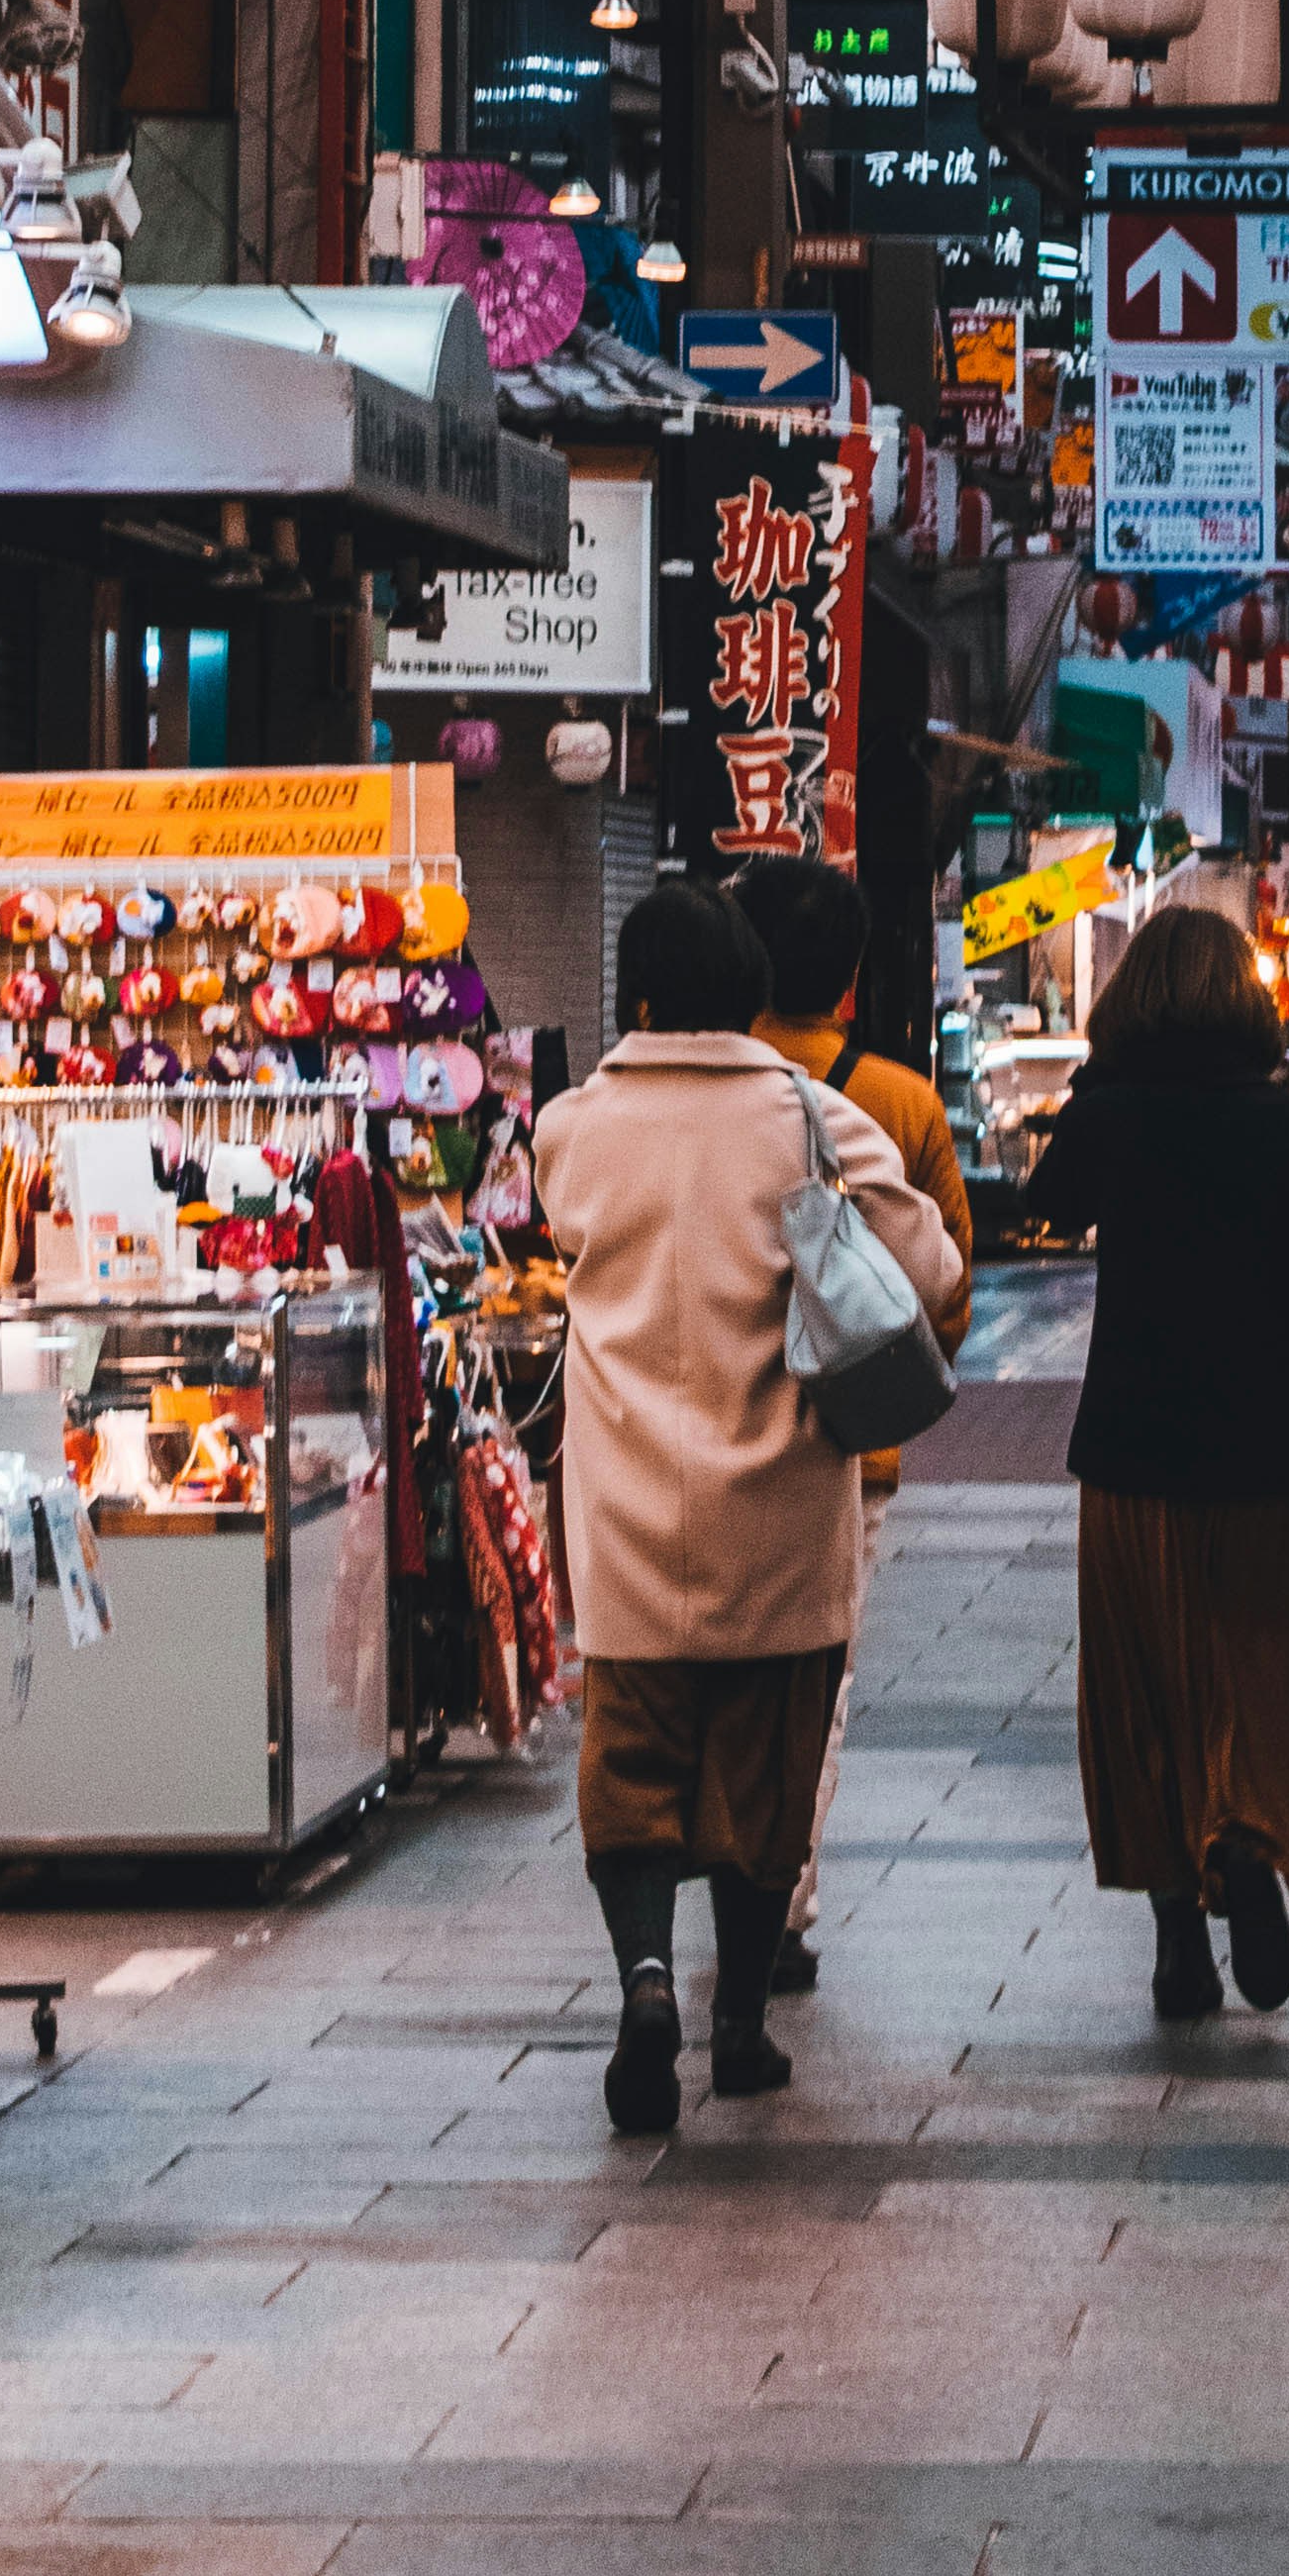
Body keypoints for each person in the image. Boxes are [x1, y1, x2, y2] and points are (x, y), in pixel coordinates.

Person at [533, 866, 962, 2131]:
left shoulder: (572, 1126)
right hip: (779, 1502)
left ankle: (647, 1982)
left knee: (634, 1760)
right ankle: (738, 2025)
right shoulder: (816, 1120)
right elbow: (929, 1262)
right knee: (766, 1771)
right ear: (755, 991)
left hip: (623, 1510)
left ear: (641, 990)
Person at [1027, 903, 1289, 2019]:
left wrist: (1093, 1098)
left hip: (1131, 1446)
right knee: (1256, 1663)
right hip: (1265, 1448)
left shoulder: (1110, 1115)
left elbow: (1045, 1209)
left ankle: (1177, 1927)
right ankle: (1249, 1841)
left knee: (1143, 1678)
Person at [741, 850, 975, 1997]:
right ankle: (780, 1897)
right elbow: (950, 1286)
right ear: (852, 977)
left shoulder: (697, 1090)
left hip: (697, 1431)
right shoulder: (900, 1099)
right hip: (849, 1448)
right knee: (815, 1676)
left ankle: (702, 1878)